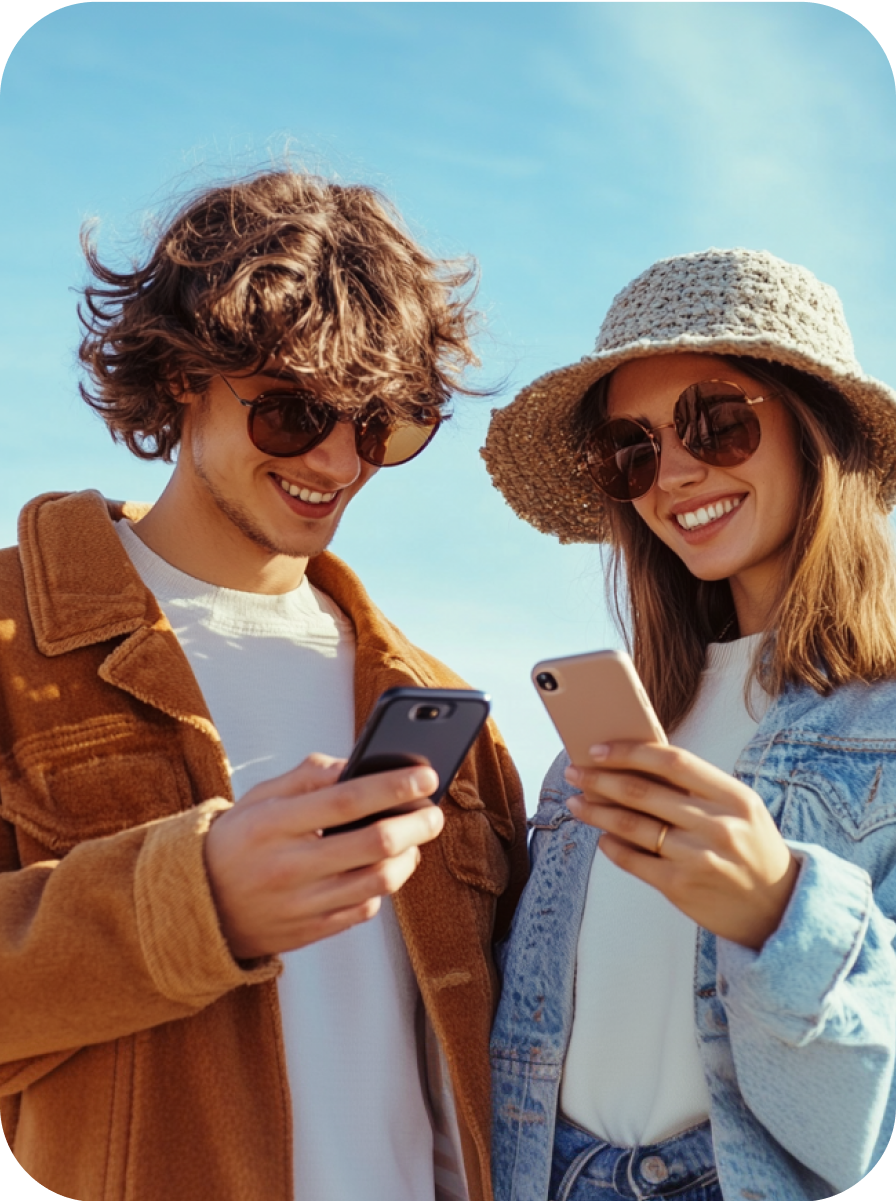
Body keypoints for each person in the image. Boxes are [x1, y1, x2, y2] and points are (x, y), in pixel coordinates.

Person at [0, 170, 528, 1201]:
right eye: (293, 412)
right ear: (182, 374)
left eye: (382, 423)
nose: (338, 460)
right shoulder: (16, 643)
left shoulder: (443, 705)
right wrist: (191, 906)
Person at [481, 248, 896, 1201]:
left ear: (811, 430)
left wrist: (781, 911)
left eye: (715, 422)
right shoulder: (594, 746)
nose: (674, 472)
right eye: (633, 448)